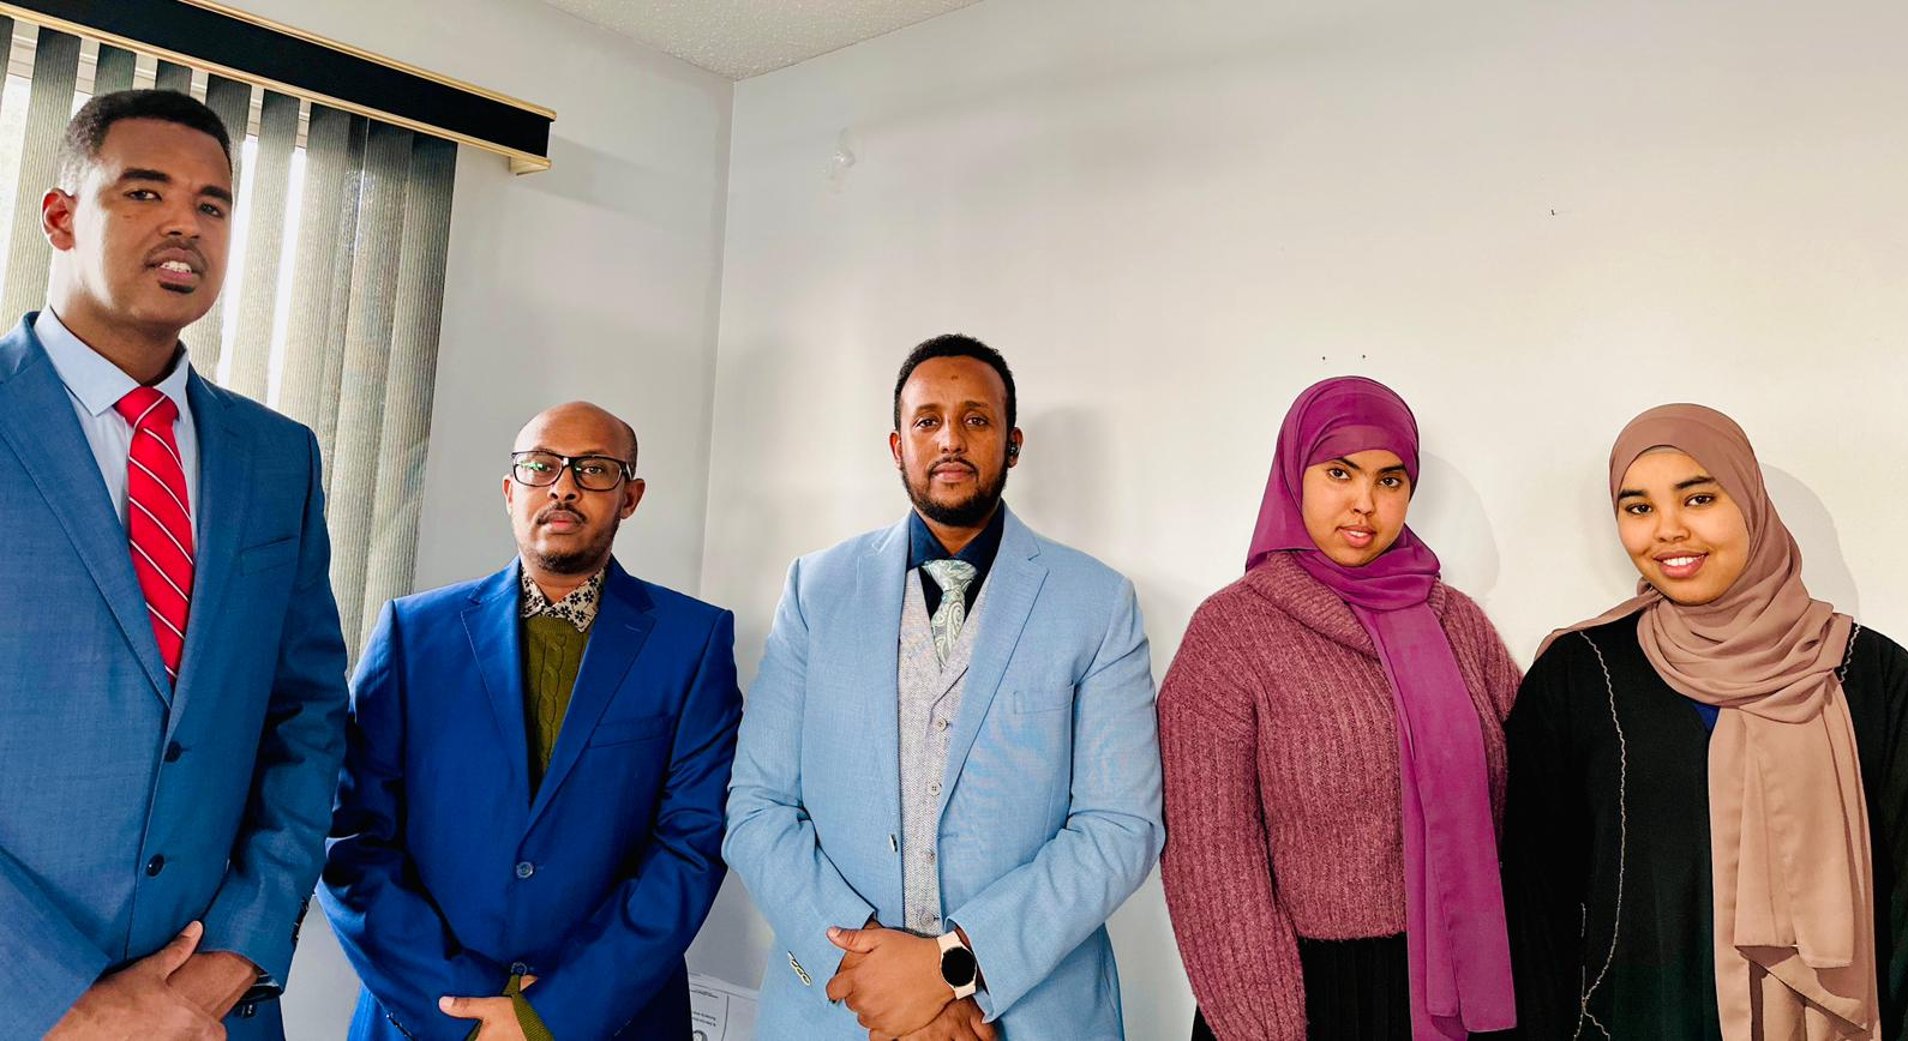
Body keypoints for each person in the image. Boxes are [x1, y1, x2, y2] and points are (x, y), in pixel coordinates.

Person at [0, 89, 349, 1039]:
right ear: (62, 215)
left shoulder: (279, 457)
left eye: (212, 204)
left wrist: (231, 961)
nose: (183, 226)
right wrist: (58, 999)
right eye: (144, 192)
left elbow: (307, 715)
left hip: (214, 1012)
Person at [724, 334, 1163, 1040]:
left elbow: (1120, 826)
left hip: (1030, 1017)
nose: (950, 438)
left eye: (976, 419)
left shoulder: (1097, 602)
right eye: (927, 420)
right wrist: (878, 976)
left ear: (1012, 444)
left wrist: (952, 967)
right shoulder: (817, 589)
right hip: (836, 1010)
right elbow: (756, 806)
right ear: (897, 445)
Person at [321, 401, 742, 1040]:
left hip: (609, 1020)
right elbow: (350, 839)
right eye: (541, 467)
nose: (564, 486)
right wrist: (458, 1007)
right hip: (424, 1018)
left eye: (595, 469)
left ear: (631, 497)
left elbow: (690, 848)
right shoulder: (412, 634)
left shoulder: (693, 641)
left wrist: (548, 1017)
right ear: (510, 491)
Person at [1502, 403, 1908, 1039]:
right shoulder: (1581, 673)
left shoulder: (1869, 672)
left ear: (1750, 501)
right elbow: (1537, 897)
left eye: (1697, 499)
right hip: (1636, 1021)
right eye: (1638, 508)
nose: (1667, 530)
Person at [1160, 376, 1520, 1041]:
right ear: (1295, 476)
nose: (1365, 503)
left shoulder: (1456, 622)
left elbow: (1526, 800)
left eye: (1390, 480)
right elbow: (1212, 866)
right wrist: (1266, 1028)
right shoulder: (1231, 634)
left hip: (1462, 984)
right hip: (1304, 997)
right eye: (1340, 472)